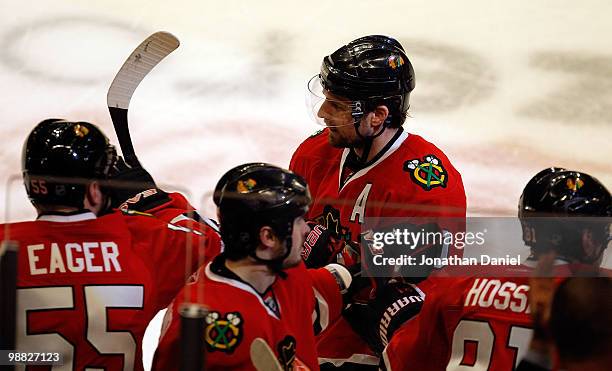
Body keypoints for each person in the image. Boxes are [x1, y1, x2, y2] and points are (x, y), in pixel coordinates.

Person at [290, 35, 467, 368]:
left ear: (377, 116)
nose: (323, 112)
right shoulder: (313, 153)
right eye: (327, 99)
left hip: (372, 355)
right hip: (308, 332)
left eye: (337, 105)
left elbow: (419, 301)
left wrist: (348, 268)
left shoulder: (426, 187)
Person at [1, 119, 221, 370]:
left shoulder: (4, 246)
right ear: (95, 191)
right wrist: (153, 203)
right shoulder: (141, 240)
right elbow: (221, 243)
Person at [380, 167, 612, 370]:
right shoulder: (598, 301)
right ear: (588, 240)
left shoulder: (460, 282)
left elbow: (399, 362)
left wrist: (402, 320)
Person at [152, 163, 353, 371]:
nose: (307, 229)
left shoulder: (286, 274)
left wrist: (364, 273)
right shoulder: (204, 323)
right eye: (299, 221)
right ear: (268, 237)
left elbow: (319, 291)